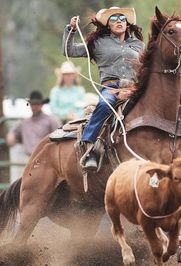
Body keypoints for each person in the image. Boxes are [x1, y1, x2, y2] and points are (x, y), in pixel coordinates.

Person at [63, 6, 145, 170]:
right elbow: (69, 50)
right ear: (108, 24)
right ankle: (90, 147)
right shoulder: (98, 43)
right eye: (114, 19)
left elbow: (147, 67)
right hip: (111, 88)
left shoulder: (139, 45)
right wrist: (71, 30)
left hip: (134, 88)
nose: (119, 21)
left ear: (127, 23)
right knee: (104, 104)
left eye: (122, 18)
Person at [6, 90, 61, 157]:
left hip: (45, 157)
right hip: (29, 158)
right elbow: (12, 134)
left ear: (42, 104)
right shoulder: (24, 123)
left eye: (37, 104)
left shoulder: (51, 121)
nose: (34, 107)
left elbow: (60, 136)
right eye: (32, 104)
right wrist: (11, 135)